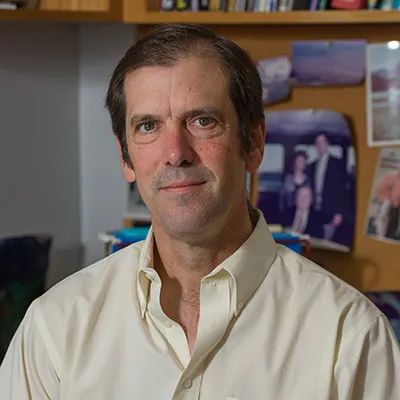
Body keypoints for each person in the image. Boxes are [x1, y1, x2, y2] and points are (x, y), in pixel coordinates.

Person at [0, 24, 399, 400]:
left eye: (202, 121)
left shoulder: (349, 334)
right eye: (148, 126)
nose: (176, 153)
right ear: (125, 156)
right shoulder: (55, 328)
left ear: (254, 143)